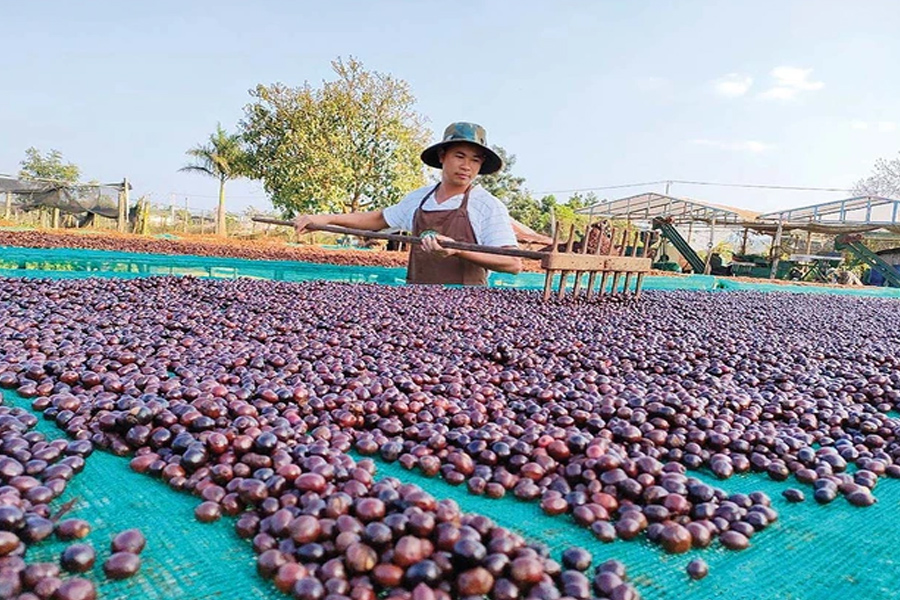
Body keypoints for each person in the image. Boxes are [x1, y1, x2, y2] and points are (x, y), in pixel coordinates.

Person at [294, 122, 522, 285]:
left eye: (475, 160)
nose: (467, 166)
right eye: (459, 156)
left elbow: (513, 264)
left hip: (466, 309)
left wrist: (457, 250)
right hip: (417, 303)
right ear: (442, 156)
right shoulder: (419, 199)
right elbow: (377, 219)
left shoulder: (486, 205)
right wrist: (323, 219)